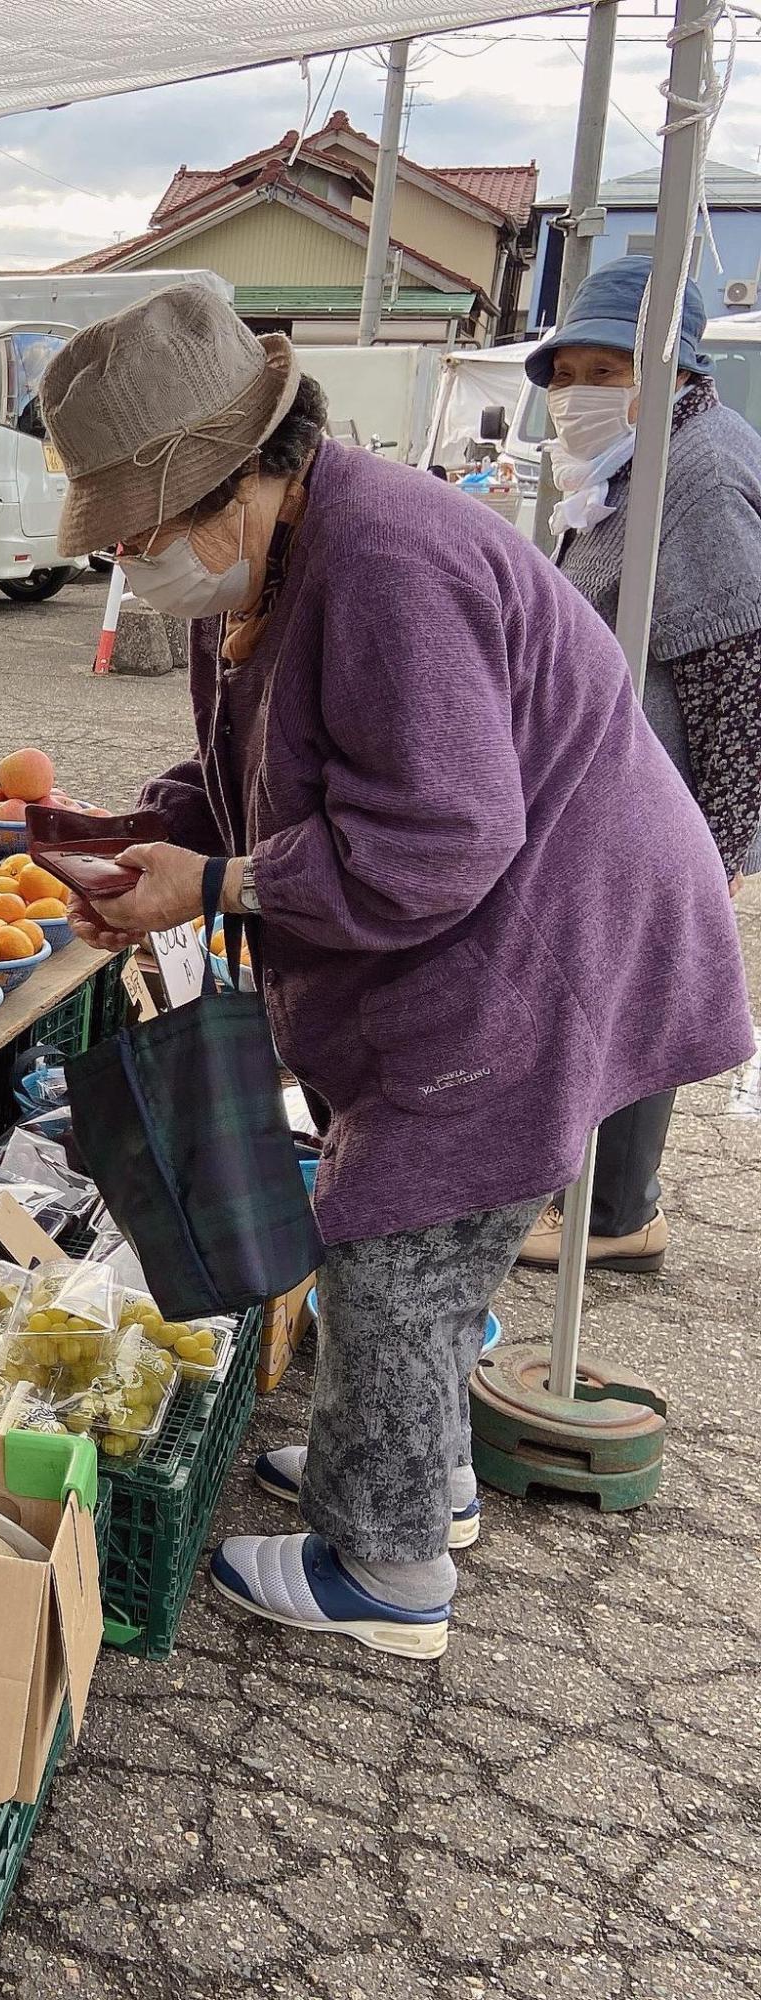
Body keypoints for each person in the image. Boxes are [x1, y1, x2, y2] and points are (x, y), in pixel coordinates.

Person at [38, 285, 752, 1660]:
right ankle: (415, 1472)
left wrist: (227, 885)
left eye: (138, 528)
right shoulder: (268, 566)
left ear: (234, 484)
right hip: (497, 919)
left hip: (533, 933)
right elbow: (248, 771)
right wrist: (142, 830)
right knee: (407, 1240)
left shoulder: (383, 563)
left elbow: (440, 836)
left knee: (399, 1240)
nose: (131, 561)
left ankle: (390, 1571)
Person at [516, 255, 761, 1276]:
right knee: (597, 980)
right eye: (563, 370)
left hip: (656, 789)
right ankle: (594, 1190)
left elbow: (734, 665)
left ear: (668, 367)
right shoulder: (624, 465)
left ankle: (617, 1213)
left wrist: (720, 842)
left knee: (627, 986)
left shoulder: (696, 473)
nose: (576, 392)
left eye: (602, 368)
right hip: (605, 781)